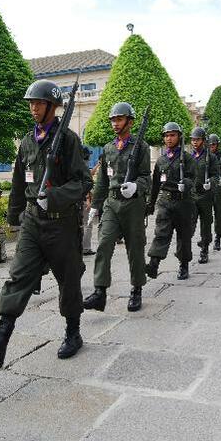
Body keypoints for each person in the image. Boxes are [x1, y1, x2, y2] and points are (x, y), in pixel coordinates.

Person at [0, 80, 93, 368]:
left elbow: (84, 182)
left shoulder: (68, 139)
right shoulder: (26, 141)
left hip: (61, 223)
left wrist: (55, 197)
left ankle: (73, 333)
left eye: (39, 103)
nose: (33, 107)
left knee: (69, 281)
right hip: (34, 222)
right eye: (31, 103)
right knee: (18, 277)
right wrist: (14, 217)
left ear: (53, 106)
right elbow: (19, 182)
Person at [83, 102, 151, 313]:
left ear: (130, 122)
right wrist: (95, 206)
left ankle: (136, 289)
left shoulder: (142, 147)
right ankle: (100, 291)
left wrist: (136, 186)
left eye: (119, 119)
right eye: (113, 120)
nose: (115, 123)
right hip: (112, 203)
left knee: (135, 247)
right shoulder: (108, 148)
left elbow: (146, 177)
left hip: (133, 204)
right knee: (104, 243)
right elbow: (103, 180)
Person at [145, 122, 197, 280]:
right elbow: (155, 184)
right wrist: (150, 203)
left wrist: (185, 184)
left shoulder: (187, 158)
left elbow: (193, 179)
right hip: (165, 202)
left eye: (172, 135)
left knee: (184, 236)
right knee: (161, 233)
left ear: (179, 137)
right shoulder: (161, 160)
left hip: (183, 202)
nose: (169, 138)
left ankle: (184, 265)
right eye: (166, 135)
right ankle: (154, 264)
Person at [190, 127, 220, 263]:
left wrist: (211, 182)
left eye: (197, 139)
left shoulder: (211, 157)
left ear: (203, 141)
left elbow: (216, 175)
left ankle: (204, 249)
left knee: (206, 224)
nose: (195, 142)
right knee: (188, 224)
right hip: (191, 195)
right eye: (193, 140)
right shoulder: (188, 157)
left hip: (205, 195)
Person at [208, 134, 221, 250]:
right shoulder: (204, 156)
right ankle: (206, 238)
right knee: (206, 216)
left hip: (218, 188)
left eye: (213, 144)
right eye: (210, 145)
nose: (212, 147)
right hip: (206, 189)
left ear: (217, 145)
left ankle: (218, 237)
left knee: (219, 214)